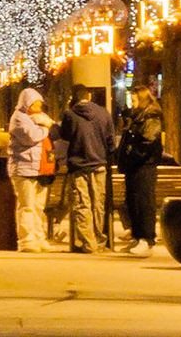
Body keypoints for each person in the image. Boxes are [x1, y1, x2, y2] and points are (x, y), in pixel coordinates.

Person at [57, 87, 116, 253]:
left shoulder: (70, 115)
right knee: (99, 205)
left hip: (78, 165)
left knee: (83, 204)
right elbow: (111, 142)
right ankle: (99, 240)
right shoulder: (104, 113)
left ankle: (88, 243)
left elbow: (64, 137)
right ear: (89, 96)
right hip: (99, 164)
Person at [117, 83, 166, 257]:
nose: (132, 102)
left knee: (144, 202)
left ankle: (147, 238)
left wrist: (133, 154)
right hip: (134, 165)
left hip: (144, 165)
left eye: (135, 99)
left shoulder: (151, 117)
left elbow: (147, 141)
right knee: (133, 201)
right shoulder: (137, 117)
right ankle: (137, 236)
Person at [7, 88, 57, 253]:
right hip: (24, 168)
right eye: (34, 105)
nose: (37, 109)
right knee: (26, 205)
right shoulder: (18, 119)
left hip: (40, 167)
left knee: (38, 206)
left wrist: (45, 124)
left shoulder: (40, 118)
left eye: (39, 105)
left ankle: (38, 236)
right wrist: (46, 128)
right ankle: (27, 240)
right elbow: (31, 137)